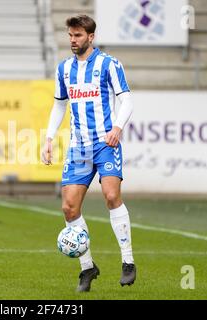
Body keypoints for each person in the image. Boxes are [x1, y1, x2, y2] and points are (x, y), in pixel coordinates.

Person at [41, 14, 136, 292]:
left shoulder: (108, 64)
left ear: (90, 37)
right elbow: (60, 105)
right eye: (70, 35)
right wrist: (48, 138)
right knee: (69, 207)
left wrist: (117, 127)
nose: (73, 40)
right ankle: (87, 267)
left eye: (78, 35)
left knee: (111, 195)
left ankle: (128, 262)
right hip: (78, 146)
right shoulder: (64, 69)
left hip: (105, 143)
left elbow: (126, 98)